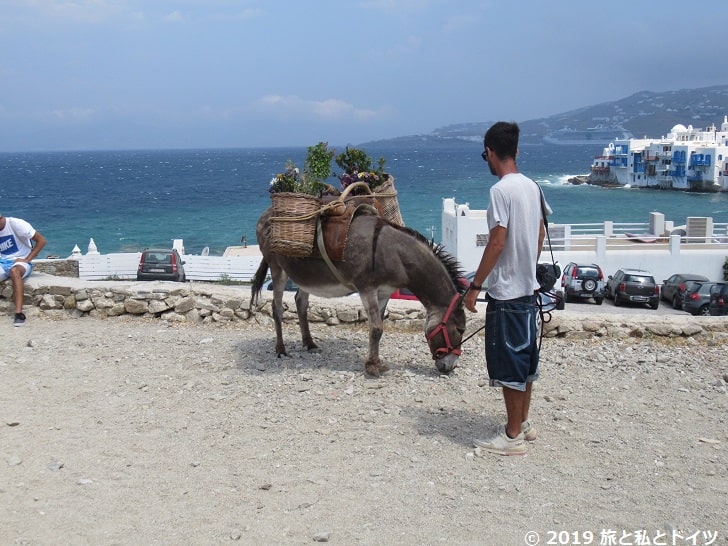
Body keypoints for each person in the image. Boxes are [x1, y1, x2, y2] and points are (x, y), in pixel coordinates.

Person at [463, 121, 549, 456]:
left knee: (510, 363)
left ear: (489, 152)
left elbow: (497, 242)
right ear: (516, 150)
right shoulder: (533, 187)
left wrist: (475, 286)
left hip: (507, 294)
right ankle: (524, 424)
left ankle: (511, 436)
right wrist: (527, 264)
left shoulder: (500, 191)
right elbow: (539, 233)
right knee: (526, 362)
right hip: (528, 291)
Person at [0, 214, 47, 326]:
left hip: (20, 261)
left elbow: (41, 240)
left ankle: (19, 313)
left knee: (14, 272)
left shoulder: (15, 224)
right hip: (3, 262)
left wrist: (27, 259)